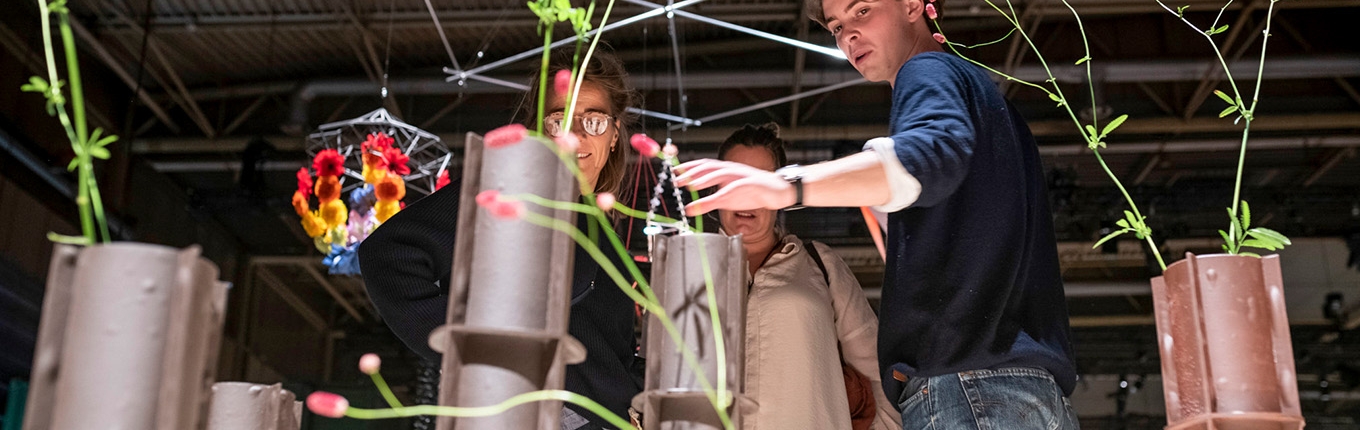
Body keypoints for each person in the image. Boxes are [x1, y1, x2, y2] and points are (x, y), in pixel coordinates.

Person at [673, 0, 1079, 427]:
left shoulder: (927, 72)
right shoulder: (982, 96)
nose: (848, 35)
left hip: (971, 391)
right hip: (1020, 390)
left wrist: (785, 185)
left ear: (912, 6)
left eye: (862, 10)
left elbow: (930, 155)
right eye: (836, 27)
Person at [358, 48, 641, 430]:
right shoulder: (508, 193)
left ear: (614, 134)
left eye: (593, 121)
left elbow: (612, 358)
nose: (575, 137)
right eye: (559, 120)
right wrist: (474, 353)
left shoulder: (605, 238)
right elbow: (388, 256)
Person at [716, 123, 901, 430]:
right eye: (734, 180)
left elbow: (874, 370)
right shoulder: (690, 272)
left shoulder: (819, 264)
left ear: (780, 195)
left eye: (760, 182)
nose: (746, 195)